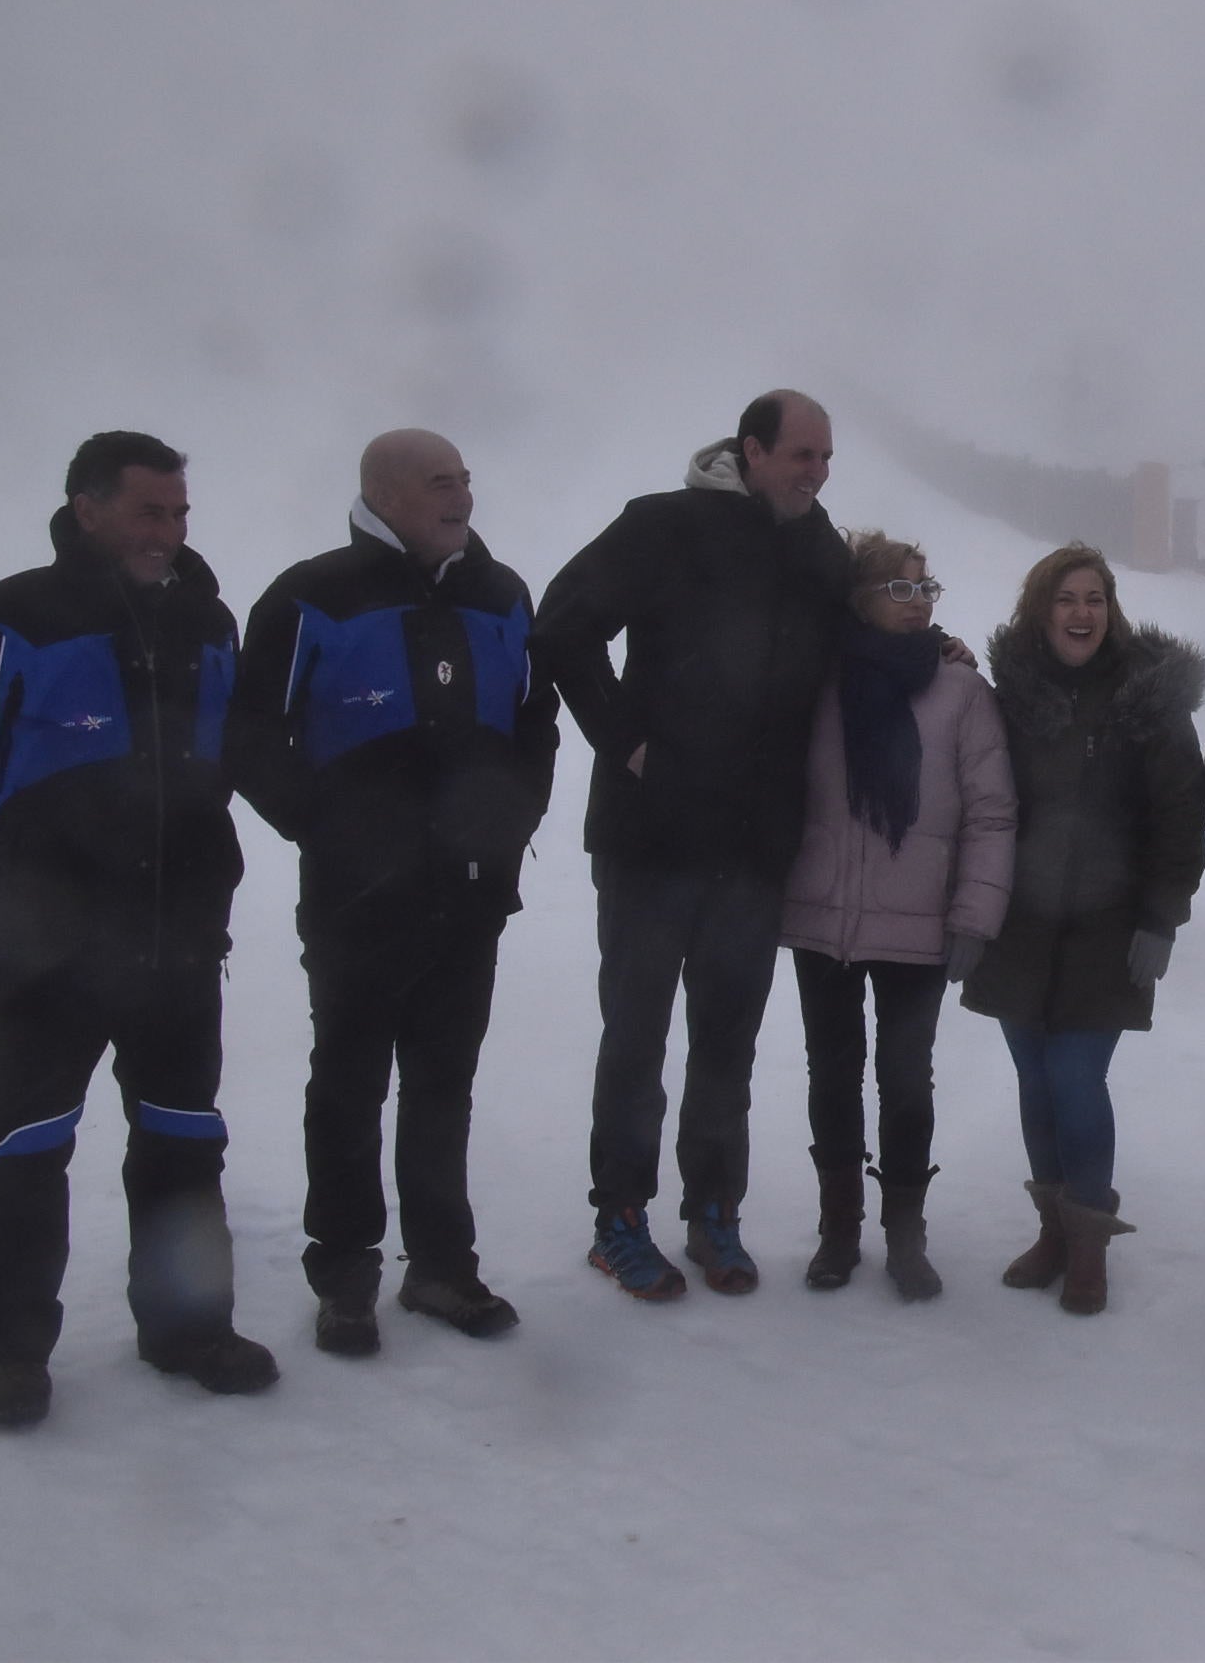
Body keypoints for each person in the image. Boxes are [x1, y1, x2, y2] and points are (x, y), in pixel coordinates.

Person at [0, 431, 275, 1426]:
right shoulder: (0, 621)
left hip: (177, 941)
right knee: (27, 1144)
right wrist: (10, 898)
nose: (169, 530)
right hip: (48, 954)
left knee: (183, 1140)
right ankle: (6, 1347)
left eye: (180, 513)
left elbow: (228, 764)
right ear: (87, 507)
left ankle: (189, 1327)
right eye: (149, 510)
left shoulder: (206, 621)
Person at [232, 430, 561, 1354]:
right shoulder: (311, 597)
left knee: (443, 1084)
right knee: (348, 1084)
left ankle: (442, 1268)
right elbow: (249, 735)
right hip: (358, 899)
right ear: (382, 495)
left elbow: (535, 723)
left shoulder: (501, 594)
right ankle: (344, 1276)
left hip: (471, 892)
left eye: (465, 480)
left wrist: (511, 822)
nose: (462, 497)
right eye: (439, 483)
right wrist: (330, 831)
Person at [534, 391, 852, 1300]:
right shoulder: (662, 527)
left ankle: (715, 1213)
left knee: (727, 1045)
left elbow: (857, 645)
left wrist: (932, 646)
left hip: (754, 846)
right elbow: (561, 626)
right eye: (801, 455)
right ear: (751, 450)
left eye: (826, 458)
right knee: (636, 1040)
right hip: (653, 838)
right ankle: (619, 1220)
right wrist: (626, 741)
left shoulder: (820, 550)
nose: (817, 474)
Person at [963, 544, 1205, 1315]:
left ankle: (1090, 1243)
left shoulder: (1147, 699)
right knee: (1035, 1081)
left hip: (1110, 928)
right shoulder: (1011, 696)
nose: (1082, 613)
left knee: (1075, 1078)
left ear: (1112, 609)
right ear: (1040, 611)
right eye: (1066, 599)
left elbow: (1180, 818)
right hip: (1019, 924)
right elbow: (976, 800)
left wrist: (1162, 919)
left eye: (1095, 598)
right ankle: (1054, 1231)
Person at [781, 535, 1015, 1300]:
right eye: (900, 588)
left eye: (926, 589)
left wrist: (974, 917)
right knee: (832, 1072)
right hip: (824, 914)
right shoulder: (817, 678)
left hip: (920, 920)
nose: (918, 603)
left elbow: (991, 813)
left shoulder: (961, 690)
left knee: (907, 1077)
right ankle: (839, 1229)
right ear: (860, 598)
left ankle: (906, 1236)